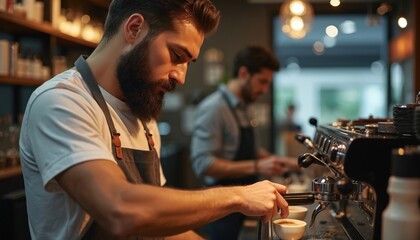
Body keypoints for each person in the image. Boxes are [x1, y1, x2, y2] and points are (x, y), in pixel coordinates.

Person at [19, 1, 291, 239]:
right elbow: (120, 209)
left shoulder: (143, 115)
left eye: (188, 62)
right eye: (176, 56)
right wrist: (239, 196)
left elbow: (159, 224)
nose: (181, 77)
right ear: (135, 28)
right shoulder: (62, 101)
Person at [190, 45, 300, 240]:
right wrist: (258, 166)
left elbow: (251, 150)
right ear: (243, 73)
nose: (265, 90)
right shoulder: (214, 108)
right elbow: (203, 164)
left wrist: (281, 160)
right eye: (262, 82)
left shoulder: (244, 107)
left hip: (245, 201)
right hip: (222, 209)